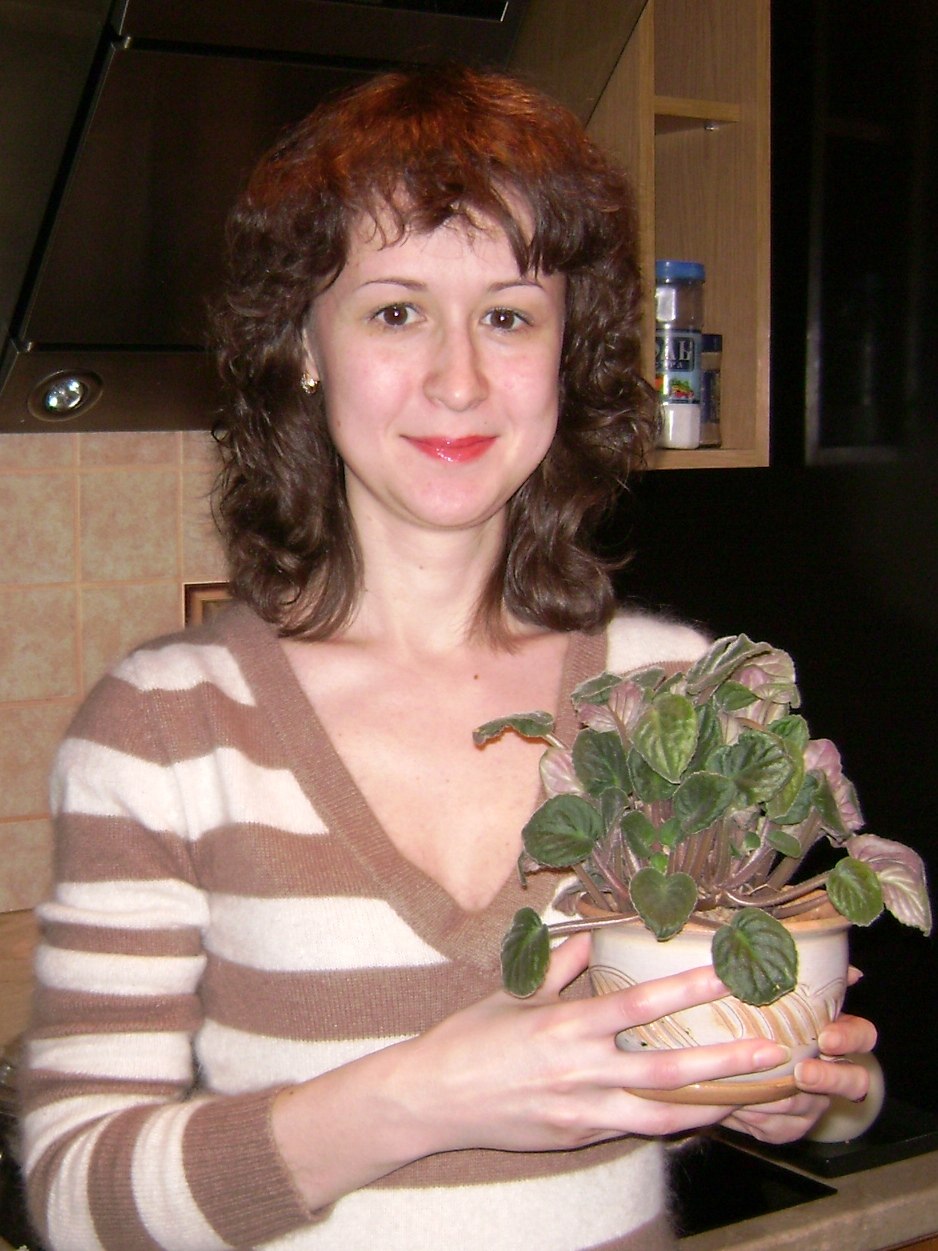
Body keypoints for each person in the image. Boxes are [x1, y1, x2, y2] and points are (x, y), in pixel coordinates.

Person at [19, 65, 875, 1251]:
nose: (458, 379)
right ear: (303, 344)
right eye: (394, 312)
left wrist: (806, 1092)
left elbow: (762, 1077)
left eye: (508, 316)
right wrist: (416, 1101)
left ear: (565, 352)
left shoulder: (671, 694)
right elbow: (72, 1197)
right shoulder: (166, 726)